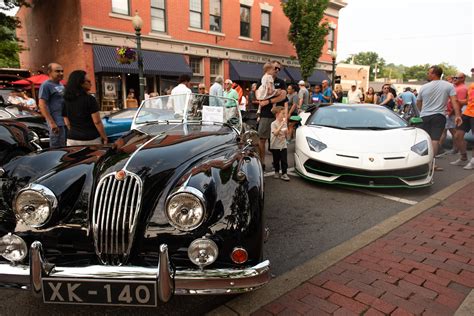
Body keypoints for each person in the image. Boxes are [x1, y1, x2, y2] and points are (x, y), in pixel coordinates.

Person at [416, 65, 462, 171]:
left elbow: (418, 102)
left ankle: (421, 163)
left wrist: (421, 111)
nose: (428, 74)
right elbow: (454, 101)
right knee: (435, 140)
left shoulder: (424, 87)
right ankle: (431, 164)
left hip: (424, 116)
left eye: (429, 72)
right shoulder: (448, 86)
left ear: (434, 74)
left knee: (424, 140)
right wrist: (458, 115)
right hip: (439, 116)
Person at [62, 70, 107, 146]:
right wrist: (104, 136)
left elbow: (67, 123)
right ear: (80, 83)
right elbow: (97, 122)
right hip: (90, 139)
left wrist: (75, 132)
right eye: (88, 81)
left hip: (72, 138)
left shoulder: (66, 100)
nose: (91, 83)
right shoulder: (90, 99)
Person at [258, 60, 287, 170]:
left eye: (279, 69)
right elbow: (258, 93)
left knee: (277, 141)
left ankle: (276, 165)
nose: (277, 70)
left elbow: (283, 96)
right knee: (262, 139)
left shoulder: (281, 82)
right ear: (270, 68)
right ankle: (262, 163)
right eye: (275, 68)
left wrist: (268, 101)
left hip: (278, 115)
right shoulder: (264, 78)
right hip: (265, 114)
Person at [38, 62, 66, 148]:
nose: (61, 73)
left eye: (62, 71)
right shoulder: (46, 85)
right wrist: (52, 123)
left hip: (64, 121)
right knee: (57, 149)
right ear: (49, 72)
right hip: (56, 123)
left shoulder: (60, 84)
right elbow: (42, 105)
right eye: (57, 71)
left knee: (64, 148)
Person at [440, 73, 468, 155]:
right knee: (451, 132)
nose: (454, 79)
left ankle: (458, 150)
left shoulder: (462, 88)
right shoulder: (456, 87)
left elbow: (458, 103)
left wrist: (450, 113)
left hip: (453, 114)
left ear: (463, 78)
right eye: (454, 77)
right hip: (450, 113)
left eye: (457, 78)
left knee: (455, 133)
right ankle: (455, 149)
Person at [451, 82, 474, 169]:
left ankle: (473, 161)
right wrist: (457, 101)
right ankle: (463, 157)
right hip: (467, 113)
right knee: (457, 136)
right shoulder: (471, 85)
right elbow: (468, 100)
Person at [270, 106, 289, 181]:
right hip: (275, 145)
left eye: (284, 113)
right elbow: (275, 133)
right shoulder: (273, 123)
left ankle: (284, 173)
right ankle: (276, 171)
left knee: (284, 160)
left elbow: (286, 134)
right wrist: (281, 125)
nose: (284, 115)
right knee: (276, 160)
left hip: (283, 144)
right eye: (283, 113)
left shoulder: (284, 123)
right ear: (277, 114)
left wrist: (286, 131)